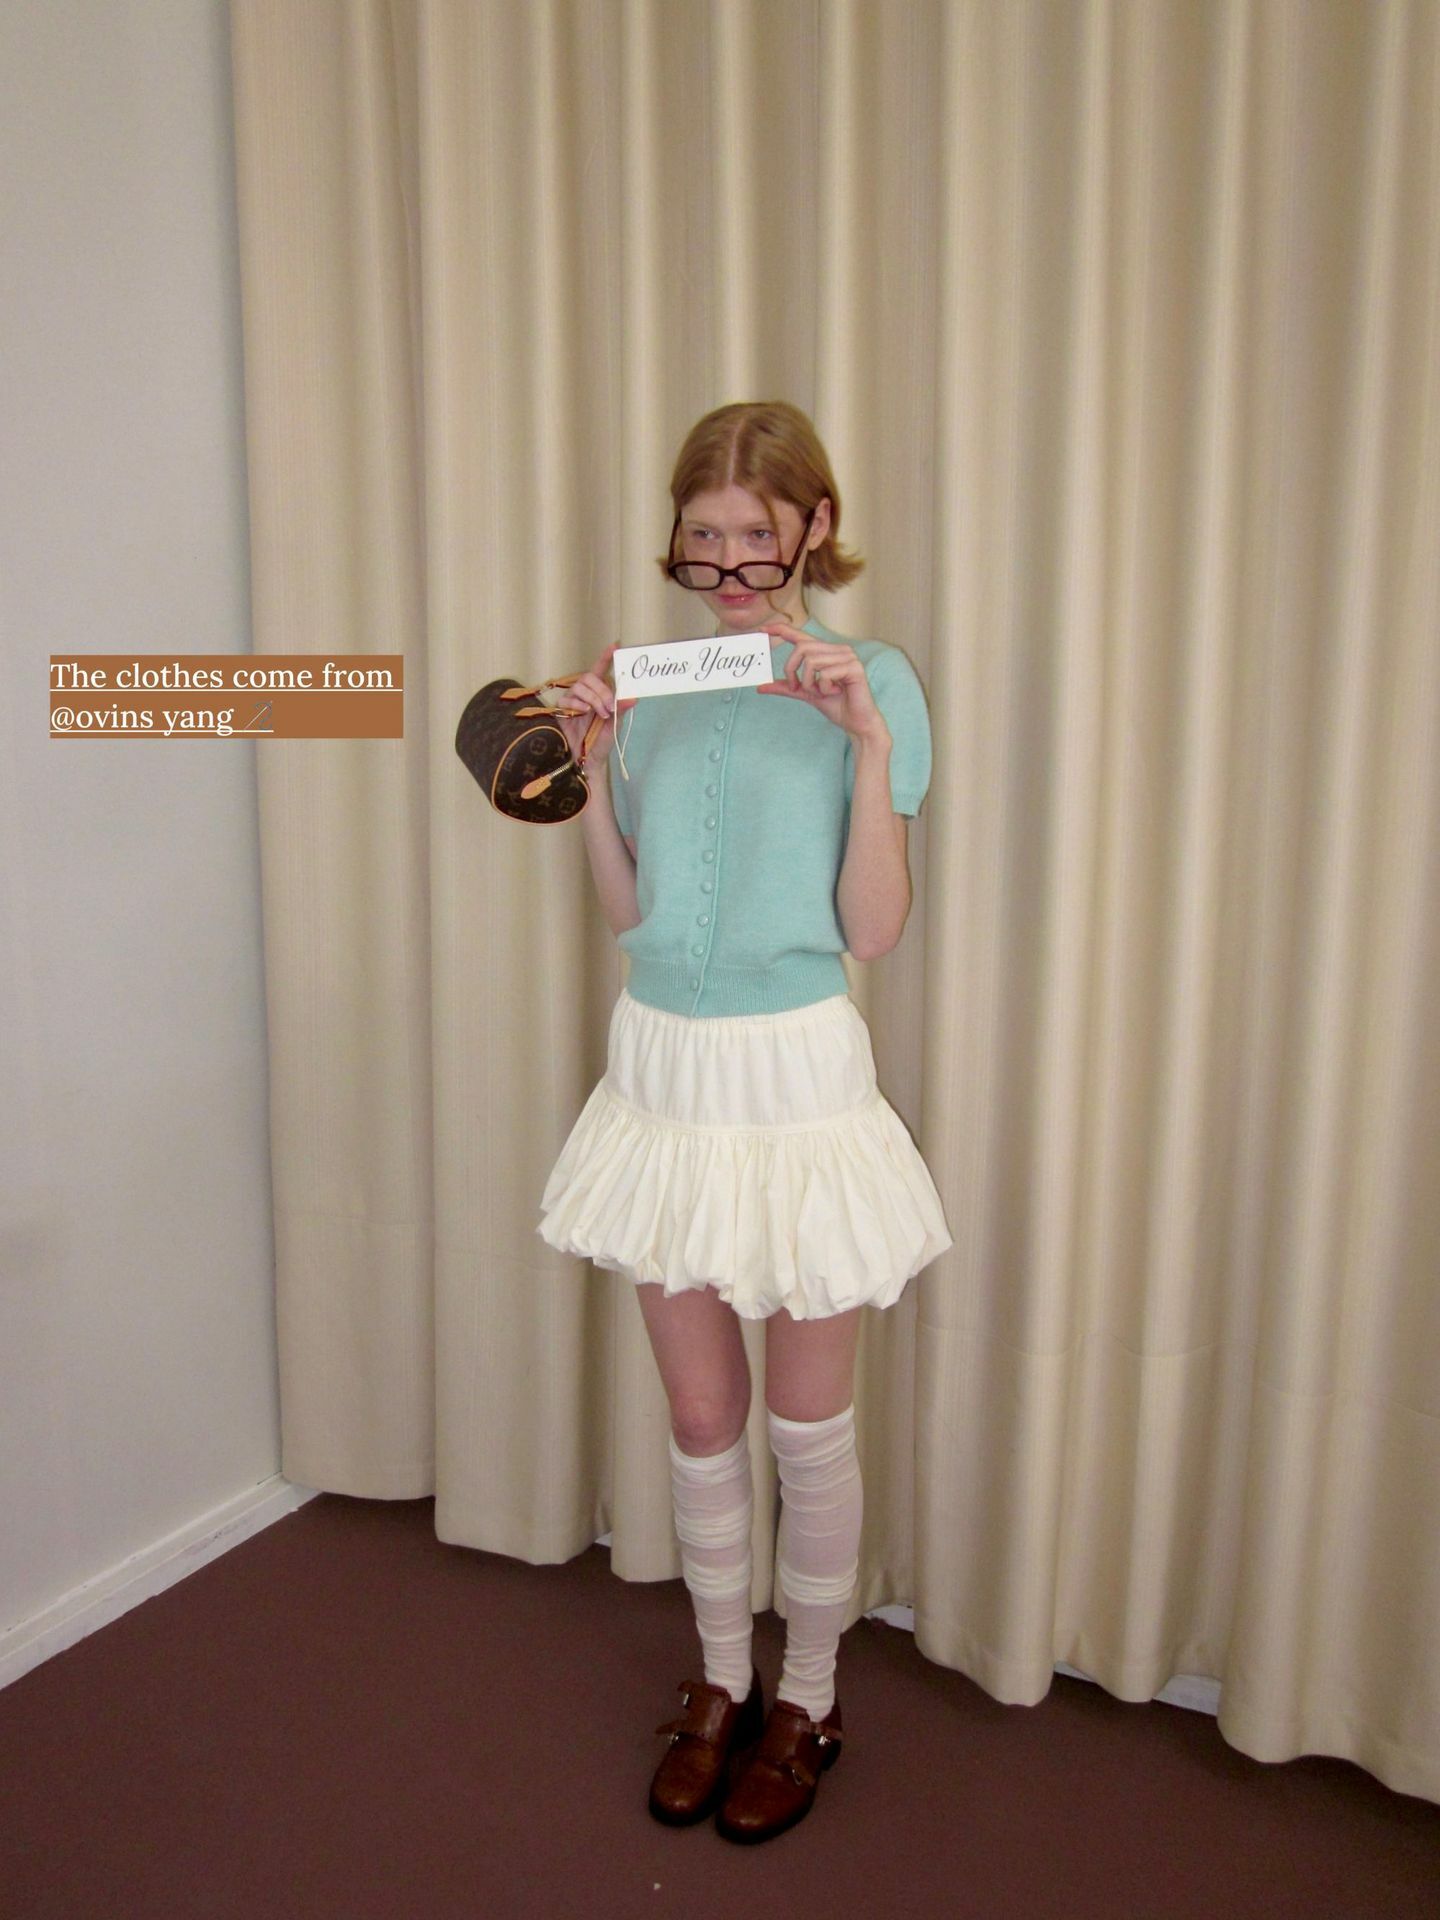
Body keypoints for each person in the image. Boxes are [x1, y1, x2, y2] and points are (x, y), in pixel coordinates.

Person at [536, 400, 952, 1844]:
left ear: (814, 528)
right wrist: (592, 768)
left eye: (753, 537)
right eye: (700, 537)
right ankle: (722, 1681)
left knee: (804, 1422)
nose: (723, 568)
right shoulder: (650, 684)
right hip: (661, 1070)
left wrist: (864, 741)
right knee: (702, 1414)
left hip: (793, 1075)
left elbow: (874, 930)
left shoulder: (872, 679)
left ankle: (810, 1699)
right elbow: (630, 913)